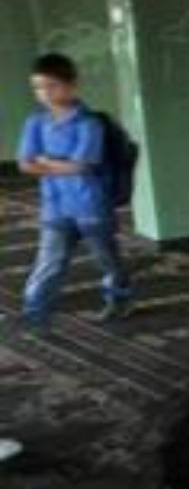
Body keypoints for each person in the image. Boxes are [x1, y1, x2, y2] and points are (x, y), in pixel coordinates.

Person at [16, 53, 134, 335]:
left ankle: (119, 296)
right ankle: (35, 314)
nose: (44, 94)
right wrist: (57, 164)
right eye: (38, 87)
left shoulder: (88, 123)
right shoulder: (36, 122)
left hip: (91, 206)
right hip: (55, 207)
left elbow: (82, 165)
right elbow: (24, 164)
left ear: (72, 85)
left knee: (107, 259)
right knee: (49, 262)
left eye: (51, 86)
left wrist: (44, 161)